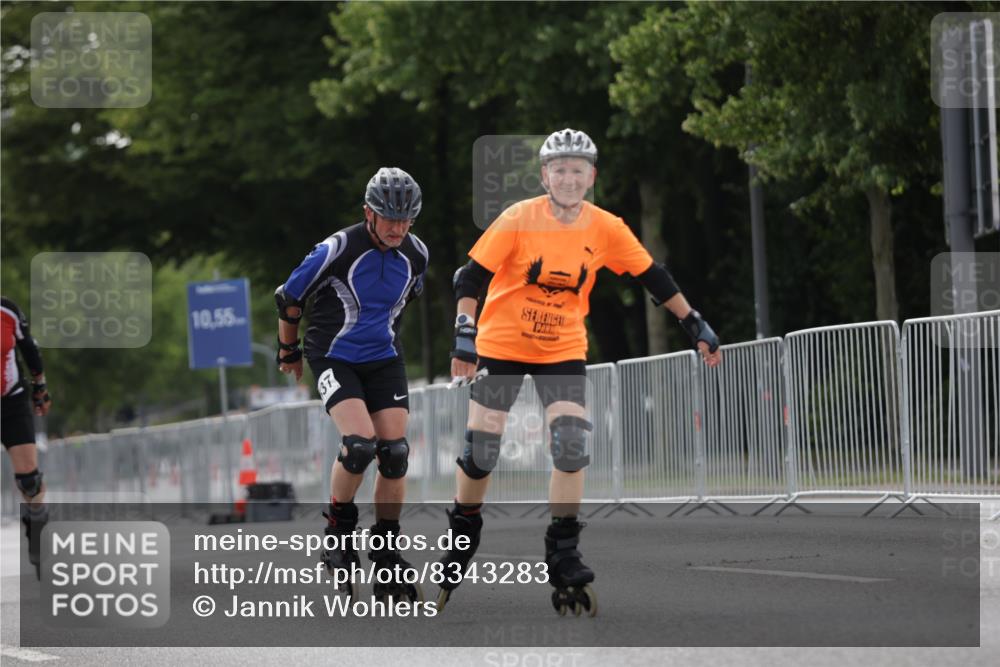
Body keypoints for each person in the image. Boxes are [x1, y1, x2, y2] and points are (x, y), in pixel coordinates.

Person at [439, 129, 722, 615]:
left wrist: (692, 320)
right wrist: (465, 334)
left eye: (578, 170)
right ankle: (465, 527)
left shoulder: (605, 227)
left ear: (591, 177)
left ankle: (564, 550)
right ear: (544, 175)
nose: (569, 178)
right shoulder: (518, 218)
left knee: (571, 444)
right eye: (559, 169)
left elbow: (653, 275)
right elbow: (470, 277)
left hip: (561, 348)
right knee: (482, 448)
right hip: (502, 344)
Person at [275, 167, 428, 601]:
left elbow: (402, 301)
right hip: (332, 356)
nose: (398, 228)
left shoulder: (417, 254)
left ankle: (385, 552)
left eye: (406, 220)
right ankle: (338, 535)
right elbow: (288, 298)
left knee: (394, 453)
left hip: (383, 359)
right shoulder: (338, 247)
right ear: (368, 213)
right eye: (389, 218)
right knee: (359, 444)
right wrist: (289, 352)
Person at [1, 297, 53, 579]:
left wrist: (40, 387)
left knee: (30, 482)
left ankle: (37, 534)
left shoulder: (7, 311)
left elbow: (29, 348)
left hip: (11, 401)